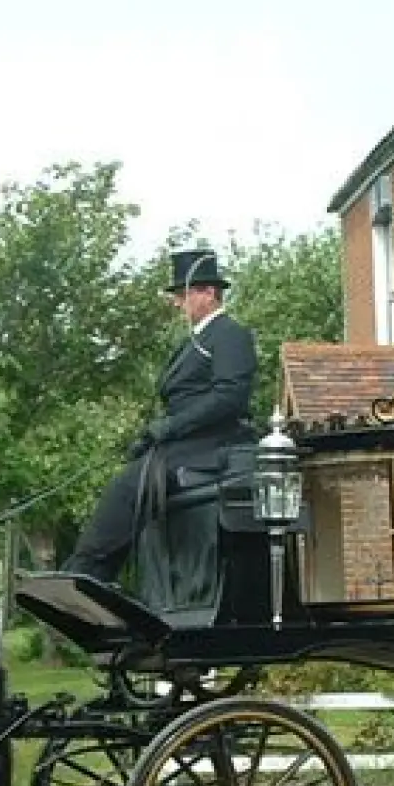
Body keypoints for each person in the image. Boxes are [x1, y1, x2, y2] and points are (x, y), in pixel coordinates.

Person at [64, 247, 257, 585]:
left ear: (208, 293)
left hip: (213, 443)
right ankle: (93, 571)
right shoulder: (194, 341)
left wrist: (169, 427)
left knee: (128, 486)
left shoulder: (229, 334)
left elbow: (229, 395)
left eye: (182, 294)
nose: (176, 302)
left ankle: (88, 573)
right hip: (185, 442)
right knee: (129, 479)